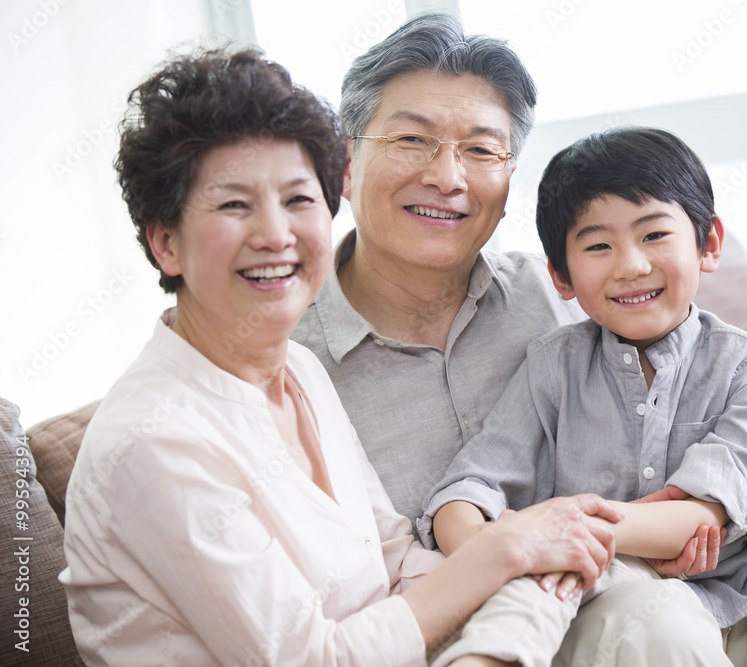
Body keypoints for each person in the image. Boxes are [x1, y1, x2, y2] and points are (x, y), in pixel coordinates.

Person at [292, 12, 747, 666]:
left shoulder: (555, 291)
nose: (448, 176)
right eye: (413, 139)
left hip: (686, 577)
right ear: (347, 162)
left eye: (481, 149)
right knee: (651, 617)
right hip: (531, 624)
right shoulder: (287, 361)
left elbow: (660, 403)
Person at [59, 46, 625, 666]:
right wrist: (507, 549)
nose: (276, 235)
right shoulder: (153, 442)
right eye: (233, 204)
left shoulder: (294, 371)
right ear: (166, 244)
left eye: (298, 200)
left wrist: (537, 589)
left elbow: (394, 558)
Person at [421, 126, 747, 665]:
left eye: (654, 235)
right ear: (561, 274)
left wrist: (555, 527)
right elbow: (466, 488)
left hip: (728, 603)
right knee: (612, 601)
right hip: (595, 602)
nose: (631, 265)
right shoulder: (553, 366)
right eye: (598, 245)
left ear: (707, 244)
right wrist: (497, 546)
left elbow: (696, 519)